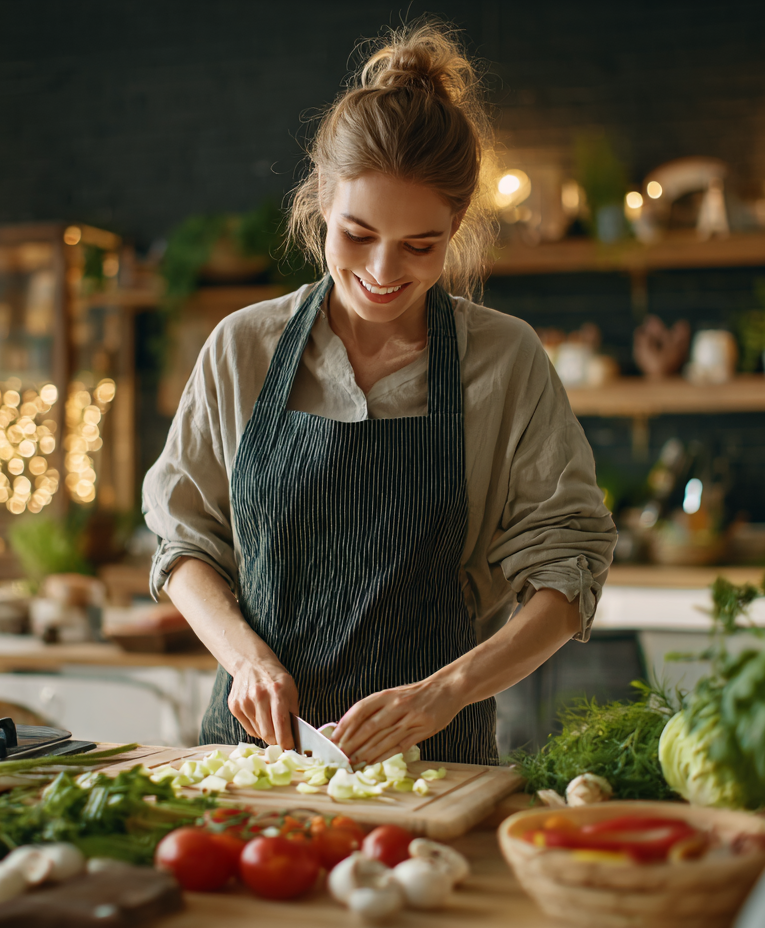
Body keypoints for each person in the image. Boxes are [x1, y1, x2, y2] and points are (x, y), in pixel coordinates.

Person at [142, 22, 616, 767]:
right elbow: (183, 541)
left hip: (435, 763)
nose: (383, 271)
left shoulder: (504, 360)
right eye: (357, 234)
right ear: (322, 201)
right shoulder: (243, 348)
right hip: (256, 759)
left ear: (456, 226)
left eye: (421, 246)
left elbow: (569, 568)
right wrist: (246, 660)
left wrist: (446, 692)